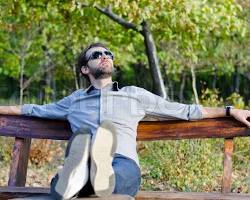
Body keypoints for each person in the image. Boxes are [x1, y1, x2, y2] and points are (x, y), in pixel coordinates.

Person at [0, 42, 249, 200]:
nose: (105, 56)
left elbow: (184, 110)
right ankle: (82, 174)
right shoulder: (73, 101)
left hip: (123, 163)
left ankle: (81, 179)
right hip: (85, 164)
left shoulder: (134, 95)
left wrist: (229, 111)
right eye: (97, 55)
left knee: (89, 182)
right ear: (85, 69)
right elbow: (32, 109)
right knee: (86, 181)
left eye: (108, 53)